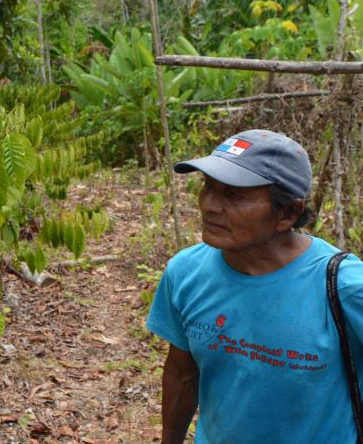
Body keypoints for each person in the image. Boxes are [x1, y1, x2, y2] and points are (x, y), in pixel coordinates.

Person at [147, 129, 363, 443]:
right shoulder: (186, 272)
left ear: (289, 213)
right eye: (208, 186)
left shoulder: (344, 286)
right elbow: (183, 372)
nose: (209, 205)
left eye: (233, 195)